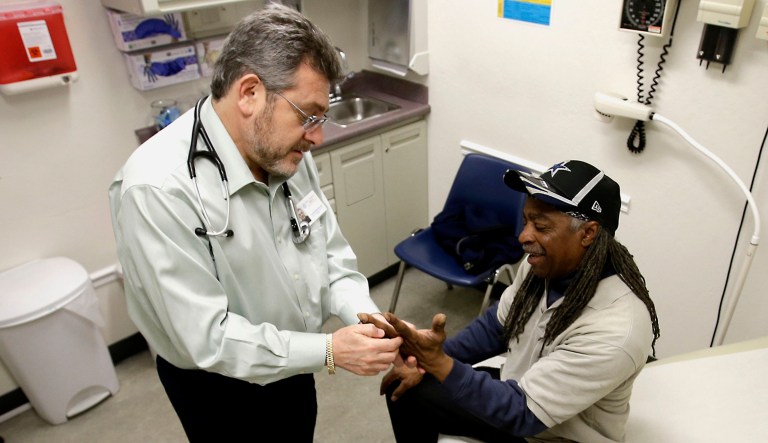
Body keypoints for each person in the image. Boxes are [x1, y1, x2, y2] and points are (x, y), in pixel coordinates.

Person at [108, 4, 401, 442]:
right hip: (218, 388)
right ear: (249, 93)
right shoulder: (158, 189)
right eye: (308, 115)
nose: (317, 136)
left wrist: (371, 318)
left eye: (320, 118)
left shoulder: (286, 153)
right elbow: (207, 338)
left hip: (296, 362)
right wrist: (328, 350)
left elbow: (332, 256)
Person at [362, 159, 661, 442]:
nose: (523, 236)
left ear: (588, 233)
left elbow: (522, 414)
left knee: (421, 391)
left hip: (555, 434)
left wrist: (439, 364)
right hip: (520, 390)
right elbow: (496, 327)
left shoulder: (616, 329)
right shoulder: (543, 268)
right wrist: (426, 361)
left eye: (541, 227)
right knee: (406, 390)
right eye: (526, 221)